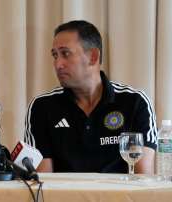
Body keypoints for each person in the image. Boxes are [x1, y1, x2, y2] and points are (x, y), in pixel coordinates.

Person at [24, 20, 157, 173]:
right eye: (55, 55)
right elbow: (42, 184)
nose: (57, 64)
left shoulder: (135, 102)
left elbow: (142, 181)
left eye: (65, 54)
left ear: (93, 56)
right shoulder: (41, 106)